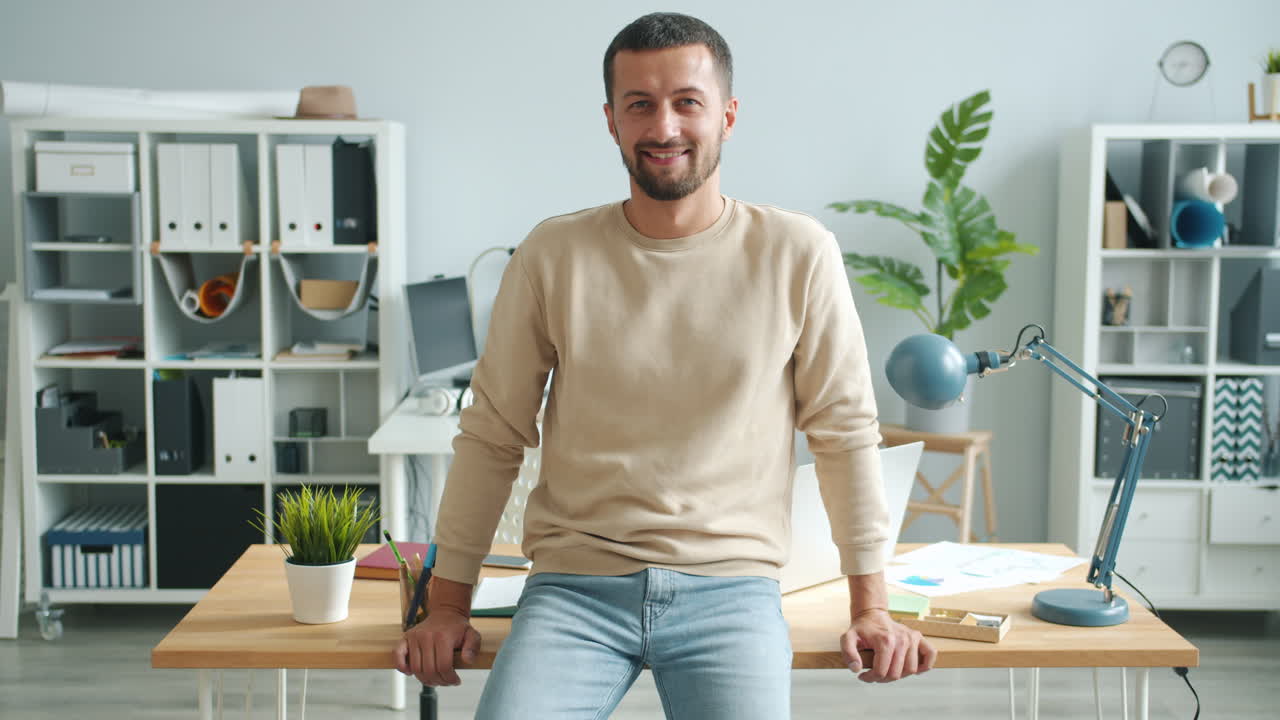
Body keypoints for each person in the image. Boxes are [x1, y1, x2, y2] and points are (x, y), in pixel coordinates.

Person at [394, 12, 936, 718]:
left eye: (688, 102)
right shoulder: (552, 255)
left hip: (732, 590)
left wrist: (872, 606)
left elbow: (844, 432)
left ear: (728, 116)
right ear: (612, 121)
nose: (665, 127)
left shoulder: (797, 253)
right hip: (573, 588)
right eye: (640, 105)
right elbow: (493, 433)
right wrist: (446, 605)